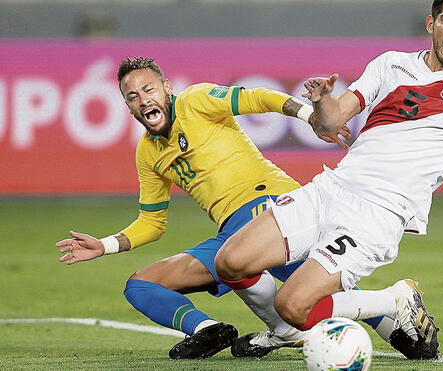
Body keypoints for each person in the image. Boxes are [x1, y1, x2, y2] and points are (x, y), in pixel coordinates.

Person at [214, 0, 443, 360]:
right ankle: (285, 332)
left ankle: (393, 300)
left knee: (292, 304)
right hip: (331, 189)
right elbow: (331, 122)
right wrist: (322, 100)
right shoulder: (390, 64)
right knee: (231, 262)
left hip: (376, 215)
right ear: (432, 24)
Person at [54, 57, 399, 360]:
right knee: (141, 285)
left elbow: (259, 97)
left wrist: (309, 115)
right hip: (231, 234)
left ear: (166, 88)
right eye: (133, 96)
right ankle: (210, 330)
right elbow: (152, 222)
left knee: (303, 286)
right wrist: (105, 245)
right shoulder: (148, 152)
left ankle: (390, 312)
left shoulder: (195, 101)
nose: (144, 100)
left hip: (272, 206)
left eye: (149, 89)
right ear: (127, 107)